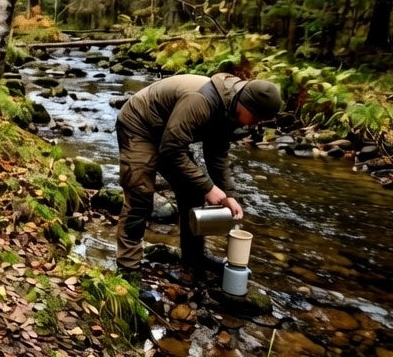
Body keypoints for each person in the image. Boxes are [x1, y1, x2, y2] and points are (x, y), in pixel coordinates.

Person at [115, 73, 283, 274]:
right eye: (256, 118)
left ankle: (193, 259)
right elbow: (171, 149)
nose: (255, 124)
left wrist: (228, 195)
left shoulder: (231, 108)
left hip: (170, 134)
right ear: (247, 104)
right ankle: (128, 268)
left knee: (193, 192)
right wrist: (208, 187)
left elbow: (217, 154)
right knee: (140, 196)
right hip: (139, 125)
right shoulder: (202, 100)